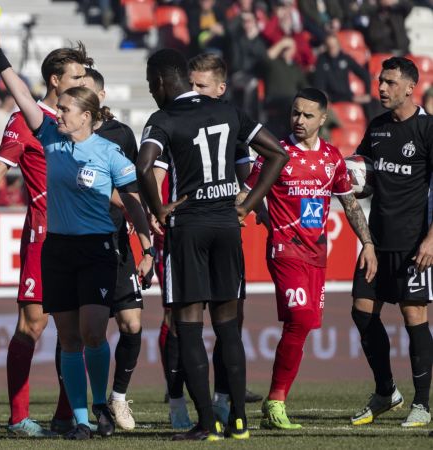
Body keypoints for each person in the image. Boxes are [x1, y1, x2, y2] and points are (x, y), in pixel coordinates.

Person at [0, 27, 141, 440]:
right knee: (52, 332)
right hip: (51, 244)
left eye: (83, 83)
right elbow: (14, 111)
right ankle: (51, 418)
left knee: (86, 331)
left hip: (92, 245)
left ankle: (83, 409)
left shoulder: (100, 140)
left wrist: (148, 227)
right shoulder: (41, 129)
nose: (82, 85)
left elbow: (121, 194)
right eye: (73, 81)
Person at [136, 48, 289, 440]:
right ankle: (238, 420)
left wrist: (160, 209)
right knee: (228, 328)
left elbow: (143, 165)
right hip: (226, 224)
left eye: (152, 86)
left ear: (159, 83)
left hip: (189, 228)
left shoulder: (163, 118)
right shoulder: (229, 110)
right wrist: (249, 204)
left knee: (188, 327)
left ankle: (207, 423)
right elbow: (276, 153)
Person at [0, 42, 93, 437]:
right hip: (44, 235)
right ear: (55, 80)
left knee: (77, 329)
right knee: (32, 325)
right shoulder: (27, 121)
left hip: (81, 233)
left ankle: (68, 415)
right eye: (77, 76)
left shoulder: (81, 122)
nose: (85, 83)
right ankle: (18, 418)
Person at [240, 88, 376, 429]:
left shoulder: (332, 158)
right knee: (300, 319)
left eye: (307, 115)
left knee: (301, 327)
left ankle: (276, 403)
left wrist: (368, 244)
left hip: (317, 254)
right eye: (295, 113)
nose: (299, 120)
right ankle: (275, 402)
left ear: (323, 119)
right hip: (285, 249)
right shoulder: (275, 153)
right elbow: (248, 192)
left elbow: (350, 205)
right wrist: (261, 216)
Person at [350, 56, 433, 428]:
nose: (381, 88)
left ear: (410, 87)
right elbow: (365, 178)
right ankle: (386, 390)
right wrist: (351, 178)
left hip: (414, 242)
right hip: (377, 240)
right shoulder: (378, 127)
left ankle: (423, 404)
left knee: (413, 315)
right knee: (361, 311)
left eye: (389, 82)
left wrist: (431, 239)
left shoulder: (428, 130)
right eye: (380, 81)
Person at [185, 54, 264, 425]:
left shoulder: (226, 118)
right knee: (206, 323)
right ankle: (223, 414)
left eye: (202, 86)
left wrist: (246, 202)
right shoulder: (195, 118)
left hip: (212, 227)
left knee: (216, 321)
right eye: (191, 85)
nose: (194, 93)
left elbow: (251, 166)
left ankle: (216, 408)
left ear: (220, 88)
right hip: (207, 225)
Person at [80, 68, 154, 432]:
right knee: (86, 333)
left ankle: (119, 398)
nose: (84, 97)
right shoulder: (68, 138)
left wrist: (146, 245)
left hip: (118, 242)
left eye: (89, 91)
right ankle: (82, 410)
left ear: (102, 96)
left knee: (132, 323)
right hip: (82, 244)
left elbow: (133, 190)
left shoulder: (120, 134)